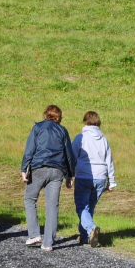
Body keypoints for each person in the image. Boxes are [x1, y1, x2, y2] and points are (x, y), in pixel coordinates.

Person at [21, 105, 76, 252]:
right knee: (52, 206)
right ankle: (48, 243)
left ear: (45, 114)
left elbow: (29, 150)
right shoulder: (63, 130)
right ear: (59, 116)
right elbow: (69, 154)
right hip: (58, 171)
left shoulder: (38, 128)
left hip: (39, 168)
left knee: (30, 199)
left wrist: (24, 169)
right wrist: (70, 175)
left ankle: (34, 234)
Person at [72, 111, 116, 247]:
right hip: (101, 177)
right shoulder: (103, 139)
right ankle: (85, 236)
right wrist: (111, 181)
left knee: (82, 207)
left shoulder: (81, 137)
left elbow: (72, 157)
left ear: (85, 122)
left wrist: (69, 175)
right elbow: (109, 161)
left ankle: (91, 228)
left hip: (84, 176)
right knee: (89, 207)